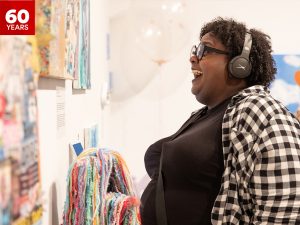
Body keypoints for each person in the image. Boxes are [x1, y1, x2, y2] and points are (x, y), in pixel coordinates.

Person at [140, 17, 300, 225]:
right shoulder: (208, 114)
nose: (193, 58)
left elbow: (285, 212)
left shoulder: (260, 109)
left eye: (204, 50)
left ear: (239, 65)